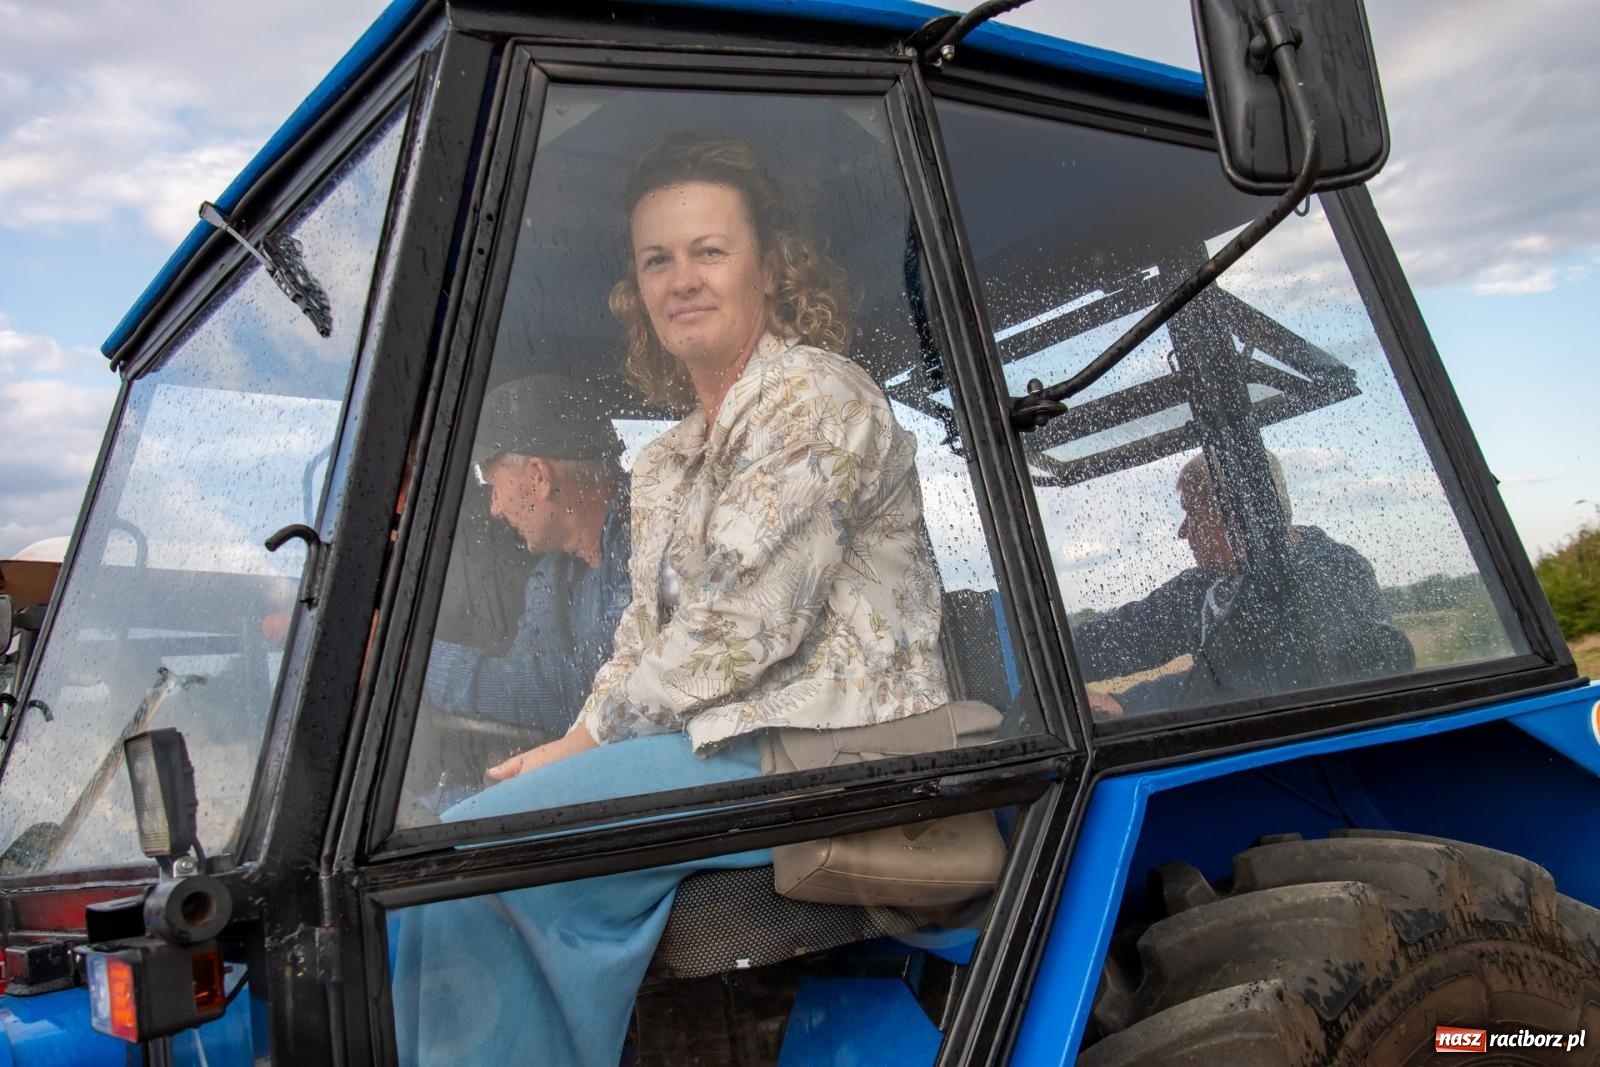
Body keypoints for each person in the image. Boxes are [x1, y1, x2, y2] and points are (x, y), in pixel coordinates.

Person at [393, 132, 949, 1067]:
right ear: (639, 292)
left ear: (769, 270)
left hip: (833, 741)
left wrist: (585, 741)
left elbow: (741, 624)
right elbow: (638, 637)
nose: (681, 278)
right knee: (418, 853)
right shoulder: (664, 462)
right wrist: (568, 740)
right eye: (658, 259)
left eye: (709, 251)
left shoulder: (816, 396)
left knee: (477, 861)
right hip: (719, 740)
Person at [1077, 451, 1413, 717]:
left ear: (1234, 514)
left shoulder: (1333, 572)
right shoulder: (1206, 585)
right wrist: (1032, 654)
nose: (1182, 531)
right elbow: (1121, 636)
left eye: (1191, 512)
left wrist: (1130, 703)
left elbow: (1256, 684)